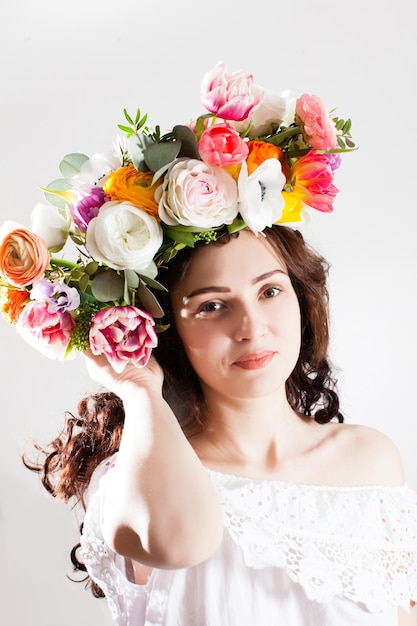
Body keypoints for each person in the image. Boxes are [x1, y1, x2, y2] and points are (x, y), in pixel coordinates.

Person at [10, 63, 416, 625]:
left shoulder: (369, 458)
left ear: (301, 298)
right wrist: (139, 389)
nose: (251, 326)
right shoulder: (136, 478)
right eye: (212, 305)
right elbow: (180, 545)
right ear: (166, 331)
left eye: (270, 291)